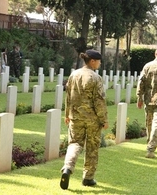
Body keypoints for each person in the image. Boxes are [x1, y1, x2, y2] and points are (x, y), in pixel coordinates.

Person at [60, 49, 109, 190]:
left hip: (75, 117)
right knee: (92, 148)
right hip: (92, 119)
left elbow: (68, 96)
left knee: (74, 143)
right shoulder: (95, 78)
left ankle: (67, 168)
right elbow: (99, 101)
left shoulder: (73, 75)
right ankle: (88, 178)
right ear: (92, 61)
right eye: (99, 61)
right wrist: (104, 119)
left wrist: (67, 114)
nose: (100, 63)